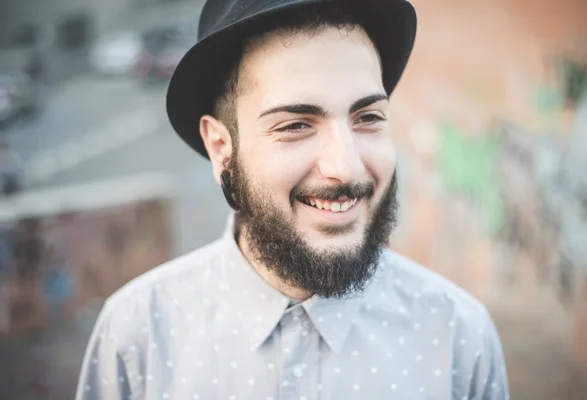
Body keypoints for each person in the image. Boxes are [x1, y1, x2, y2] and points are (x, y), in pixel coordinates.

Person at [76, 1, 510, 399]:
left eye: (368, 118)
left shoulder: (458, 337)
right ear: (221, 147)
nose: (348, 167)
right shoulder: (137, 336)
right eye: (295, 125)